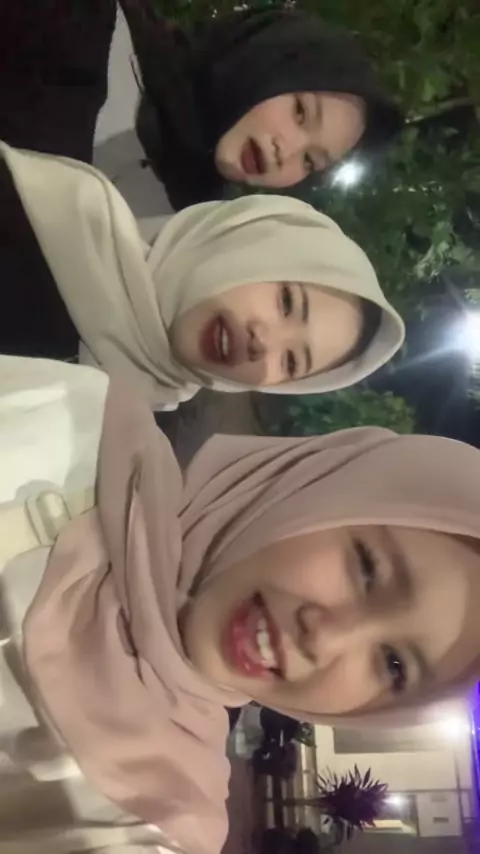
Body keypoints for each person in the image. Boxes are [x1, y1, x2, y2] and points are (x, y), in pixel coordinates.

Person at [2, 355, 480, 854]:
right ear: (320, 487)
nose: (326, 635)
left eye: (394, 665)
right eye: (367, 568)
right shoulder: (69, 423)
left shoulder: (157, 815)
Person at [0, 141, 404, 409]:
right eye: (286, 303)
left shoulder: (120, 445)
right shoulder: (47, 211)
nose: (263, 342)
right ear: (248, 242)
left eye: (291, 361)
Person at [122, 2, 404, 209]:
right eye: (300, 112)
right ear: (264, 58)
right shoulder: (108, 33)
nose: (287, 152)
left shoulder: (187, 240)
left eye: (309, 161)